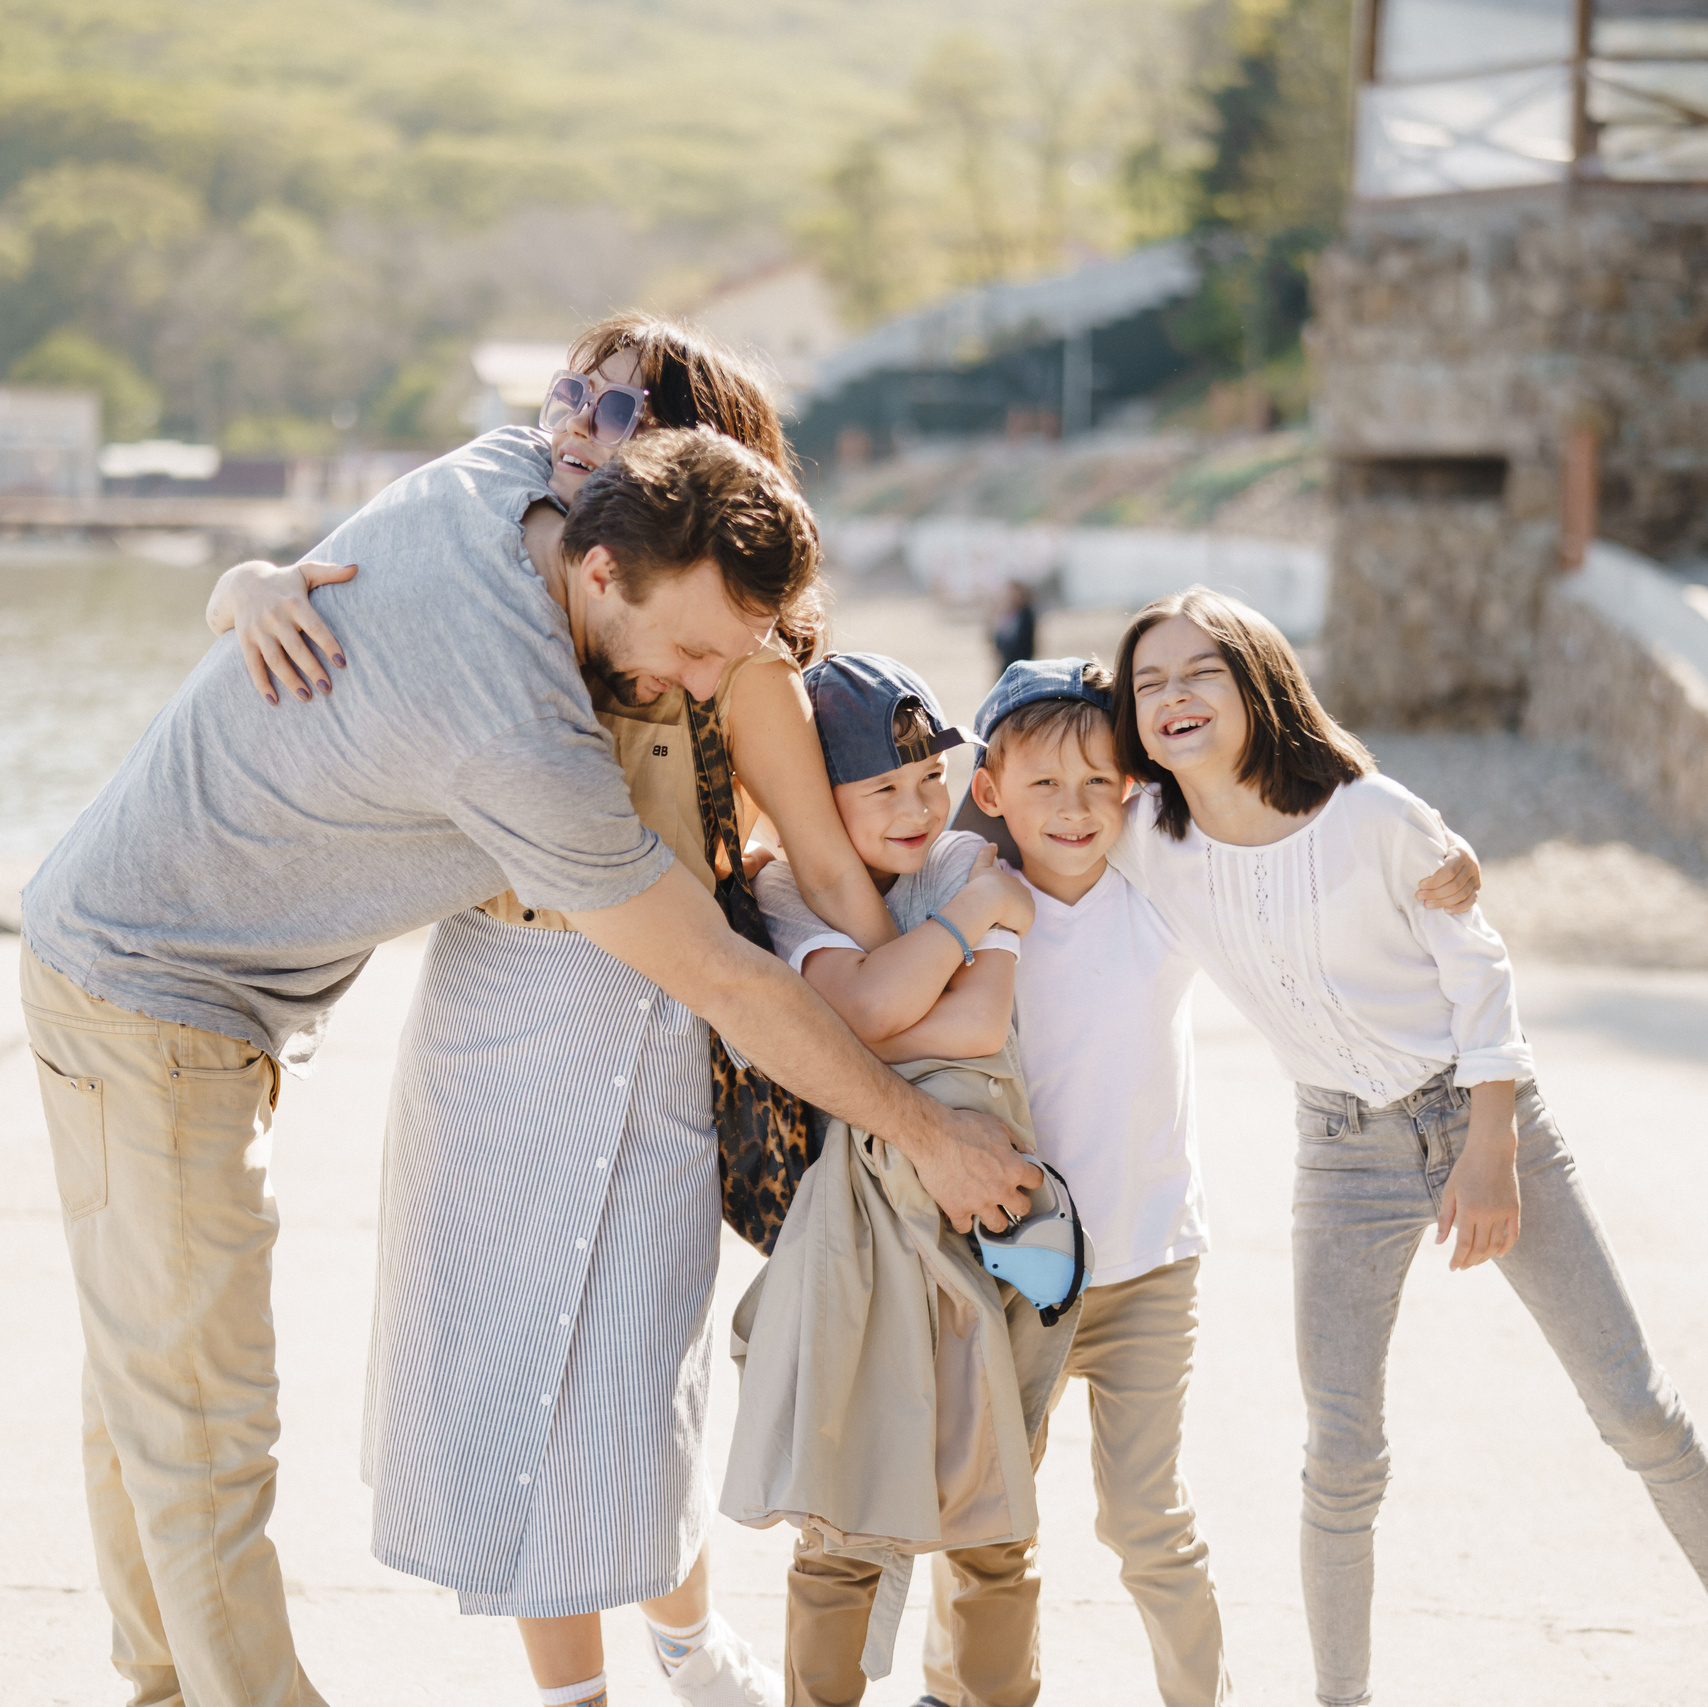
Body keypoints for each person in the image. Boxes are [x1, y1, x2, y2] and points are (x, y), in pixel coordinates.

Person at [20, 422, 1037, 1707]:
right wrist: (934, 1138)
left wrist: (248, 581)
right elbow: (726, 983)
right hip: (155, 999)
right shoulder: (520, 733)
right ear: (604, 571)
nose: (695, 685)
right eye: (693, 646)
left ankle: (164, 1687)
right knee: (205, 1426)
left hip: (123, 955)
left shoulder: (504, 479)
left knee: (146, 1389)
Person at [213, 315, 909, 1707]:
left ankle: (687, 1643)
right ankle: (575, 1692)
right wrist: (247, 582)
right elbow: (347, 588)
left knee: (633, 1379)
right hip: (487, 997)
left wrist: (907, 1019)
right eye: (571, 404)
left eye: (617, 412)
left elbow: (824, 859)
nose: (576, 431)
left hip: (656, 1007)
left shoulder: (728, 641)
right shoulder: (520, 564)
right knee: (495, 1359)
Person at [1105, 586, 1708, 1707]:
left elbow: (1481, 981)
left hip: (1481, 1115)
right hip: (1337, 1152)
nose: (1173, 696)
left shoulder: (1372, 816)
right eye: (1148, 683)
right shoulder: (1147, 841)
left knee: (1633, 1407)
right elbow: (1017, 786)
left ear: (1256, 683)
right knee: (1340, 1457)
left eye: (1199, 673)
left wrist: (1489, 1156)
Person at [740, 652, 1046, 1707]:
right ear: (818, 801)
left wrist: (892, 995)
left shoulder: (960, 854)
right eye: (884, 788)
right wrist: (961, 934)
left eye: (932, 777)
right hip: (859, 1228)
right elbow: (868, 1015)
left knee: (994, 1504)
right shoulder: (785, 885)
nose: (920, 806)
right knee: (841, 1511)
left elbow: (977, 1021)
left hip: (990, 1213)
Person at [990, 580, 1037, 678]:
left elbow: (1027, 642)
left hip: (1021, 665)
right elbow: (997, 639)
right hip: (1006, 665)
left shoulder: (1026, 615)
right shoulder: (1008, 615)